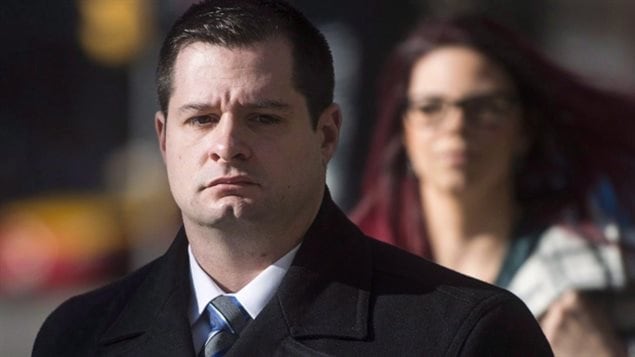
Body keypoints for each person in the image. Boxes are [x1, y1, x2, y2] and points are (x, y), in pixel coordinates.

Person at [32, 2, 552, 356]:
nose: (227, 144)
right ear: (164, 137)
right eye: (202, 119)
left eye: (263, 117)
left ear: (327, 135)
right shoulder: (76, 337)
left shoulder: (465, 336)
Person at [351, 15, 635, 357]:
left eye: (485, 108)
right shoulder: (350, 278)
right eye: (430, 108)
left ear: (524, 130)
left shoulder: (604, 283)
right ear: (405, 132)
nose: (456, 126)